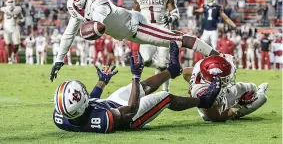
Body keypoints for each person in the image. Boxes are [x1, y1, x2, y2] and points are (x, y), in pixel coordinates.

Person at [49, 0, 219, 82]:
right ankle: (167, 66)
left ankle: (217, 56)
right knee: (146, 60)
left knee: (175, 39)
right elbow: (69, 33)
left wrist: (91, 27)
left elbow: (98, 22)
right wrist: (58, 59)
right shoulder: (73, 4)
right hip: (125, 34)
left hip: (135, 26)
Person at [53, 41, 222, 133]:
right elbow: (131, 109)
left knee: (141, 87)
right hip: (130, 118)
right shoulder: (101, 120)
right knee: (164, 97)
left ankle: (172, 70)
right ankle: (204, 101)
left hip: (108, 104)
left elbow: (88, 102)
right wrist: (135, 74)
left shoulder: (62, 115)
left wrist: (101, 82)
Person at [132, 0, 181, 92]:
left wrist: (171, 17)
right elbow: (135, 12)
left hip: (163, 30)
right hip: (147, 30)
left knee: (164, 64)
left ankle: (165, 91)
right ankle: (158, 65)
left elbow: (174, 11)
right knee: (146, 60)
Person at [183, 54, 268, 122]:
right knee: (261, 98)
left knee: (251, 87)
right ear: (215, 78)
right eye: (226, 76)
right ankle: (260, 93)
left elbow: (185, 72)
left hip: (215, 90)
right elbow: (217, 118)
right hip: (213, 112)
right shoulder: (209, 97)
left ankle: (256, 90)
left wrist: (191, 86)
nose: (230, 76)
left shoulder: (201, 67)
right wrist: (239, 105)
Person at [0, 0, 24, 64]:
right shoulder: (3, 9)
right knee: (8, 44)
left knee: (17, 44)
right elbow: (1, 18)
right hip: (6, 28)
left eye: (11, 1)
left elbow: (22, 18)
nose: (10, 3)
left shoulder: (18, 9)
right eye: (9, 2)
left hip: (14, 27)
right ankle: (9, 58)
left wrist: (19, 20)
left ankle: (13, 54)